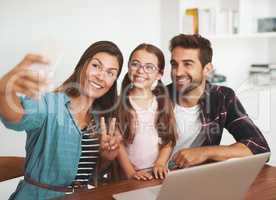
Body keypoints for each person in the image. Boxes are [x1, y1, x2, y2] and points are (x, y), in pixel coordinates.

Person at [0, 41, 123, 199]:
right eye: (96, 66)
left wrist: (106, 157)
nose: (101, 76)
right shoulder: (48, 103)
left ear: (114, 81)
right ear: (82, 65)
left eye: (110, 72)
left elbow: (88, 174)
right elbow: (17, 117)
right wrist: (4, 91)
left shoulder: (101, 121)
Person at [166, 34, 270, 169]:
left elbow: (260, 148)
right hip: (153, 178)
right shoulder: (156, 97)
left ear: (207, 69)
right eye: (174, 64)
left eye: (187, 64)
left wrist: (205, 152)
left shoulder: (222, 97)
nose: (178, 72)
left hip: (196, 178)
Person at [116, 43, 177, 180]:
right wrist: (131, 173)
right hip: (127, 177)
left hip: (156, 175)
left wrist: (160, 163)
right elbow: (118, 145)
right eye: (135, 64)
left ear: (159, 74)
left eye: (149, 67)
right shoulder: (118, 103)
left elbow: (169, 140)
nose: (140, 70)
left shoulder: (163, 103)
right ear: (128, 67)